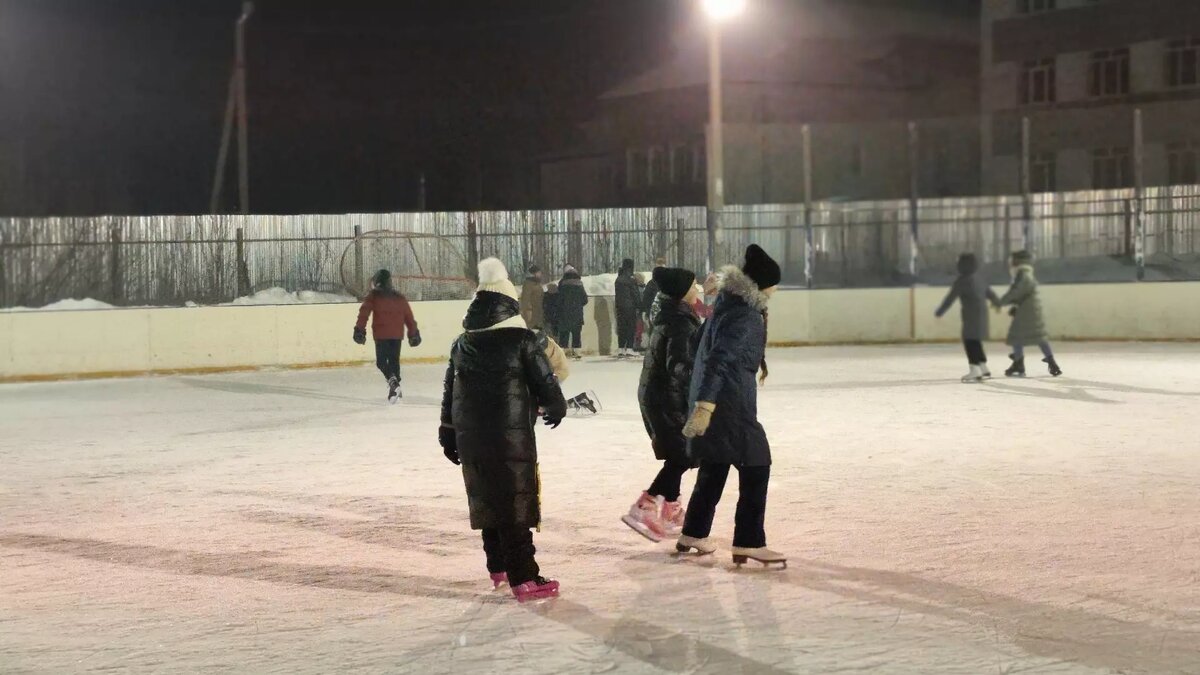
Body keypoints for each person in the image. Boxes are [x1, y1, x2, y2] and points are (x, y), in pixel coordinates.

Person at [438, 258, 568, 603]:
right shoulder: (522, 340)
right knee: (514, 501)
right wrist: (557, 406)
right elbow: (546, 381)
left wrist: (447, 429)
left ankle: (498, 567)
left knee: (487, 495)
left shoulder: (462, 343)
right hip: (511, 437)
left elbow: (450, 390)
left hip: (471, 436)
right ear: (510, 305)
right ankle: (524, 576)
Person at [676, 245, 786, 568]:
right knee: (757, 463)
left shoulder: (728, 305)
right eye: (775, 283)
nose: (776, 289)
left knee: (716, 463)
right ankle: (749, 541)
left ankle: (693, 532)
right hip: (730, 403)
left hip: (724, 397)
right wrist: (705, 405)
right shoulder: (747, 314)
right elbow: (719, 358)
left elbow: (701, 347)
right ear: (763, 285)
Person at [624, 267, 702, 542]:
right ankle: (645, 507)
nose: (698, 290)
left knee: (680, 452)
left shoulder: (672, 313)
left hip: (660, 395)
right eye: (694, 286)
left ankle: (669, 508)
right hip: (665, 397)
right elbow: (677, 364)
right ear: (682, 293)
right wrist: (704, 378)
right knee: (685, 453)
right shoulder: (679, 321)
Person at [353, 269, 420, 403]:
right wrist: (413, 333)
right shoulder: (398, 296)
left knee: (381, 362)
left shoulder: (374, 295)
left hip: (382, 334)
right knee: (394, 362)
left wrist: (359, 330)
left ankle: (393, 384)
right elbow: (408, 316)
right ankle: (394, 390)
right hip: (396, 335)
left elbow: (364, 313)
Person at [935, 253, 1001, 383]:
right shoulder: (979, 278)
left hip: (971, 315)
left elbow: (950, 298)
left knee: (969, 341)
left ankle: (974, 368)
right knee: (975, 341)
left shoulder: (962, 281)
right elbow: (991, 294)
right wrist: (997, 303)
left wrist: (940, 312)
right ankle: (983, 366)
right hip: (982, 314)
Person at [998, 250, 1062, 378]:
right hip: (1029, 309)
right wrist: (1014, 304)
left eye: (1013, 261)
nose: (1011, 264)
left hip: (1028, 311)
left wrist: (1002, 301)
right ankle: (1049, 362)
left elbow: (1017, 291)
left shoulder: (1024, 274)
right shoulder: (1024, 273)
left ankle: (1019, 363)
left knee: (1018, 336)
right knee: (1037, 336)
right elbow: (1021, 293)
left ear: (1018, 261)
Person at [556, 265, 589, 360]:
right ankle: (577, 351)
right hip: (577, 313)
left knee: (564, 333)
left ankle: (563, 352)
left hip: (564, 313)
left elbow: (559, 300)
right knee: (576, 333)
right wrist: (577, 305)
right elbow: (585, 300)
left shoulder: (562, 285)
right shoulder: (579, 284)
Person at [614, 259, 641, 358]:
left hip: (620, 307)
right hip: (630, 307)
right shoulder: (631, 280)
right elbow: (635, 294)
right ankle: (629, 348)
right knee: (630, 327)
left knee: (622, 327)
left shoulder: (618, 279)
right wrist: (639, 305)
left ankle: (621, 348)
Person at [640, 257, 667, 342]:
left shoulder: (652, 283)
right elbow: (647, 298)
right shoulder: (655, 283)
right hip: (657, 311)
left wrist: (645, 310)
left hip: (658, 311)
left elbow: (646, 298)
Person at [520, 265, 544, 330]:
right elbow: (525, 300)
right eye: (539, 272)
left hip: (537, 313)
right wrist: (527, 314)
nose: (540, 274)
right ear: (534, 273)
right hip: (531, 315)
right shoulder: (528, 284)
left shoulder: (536, 283)